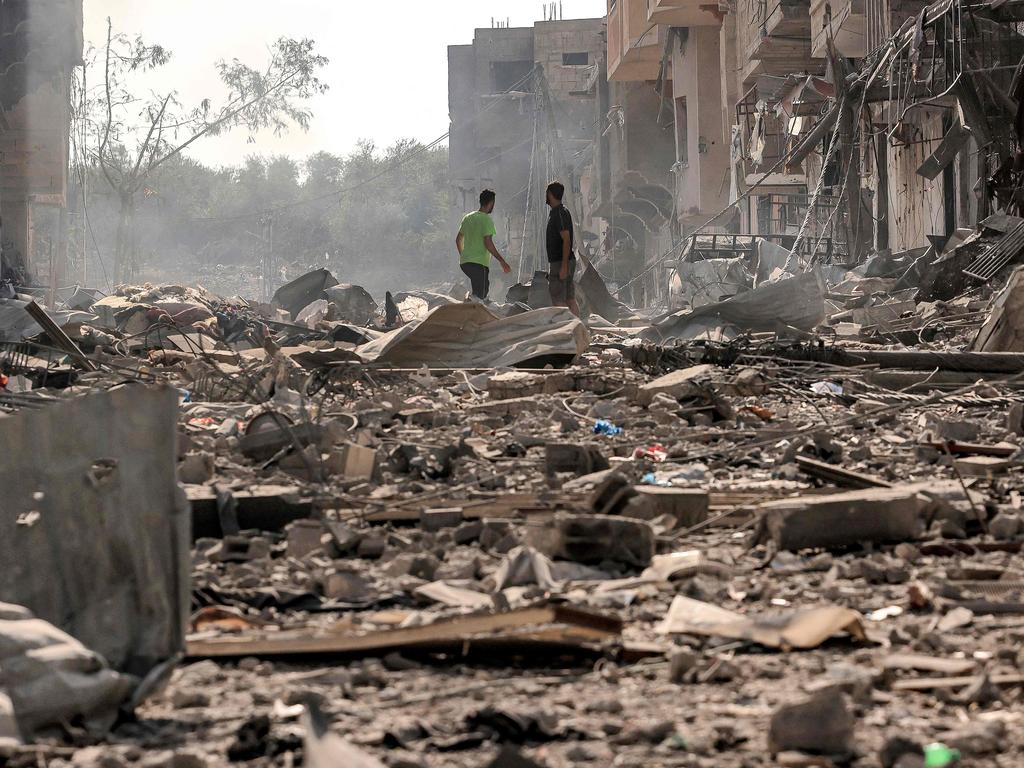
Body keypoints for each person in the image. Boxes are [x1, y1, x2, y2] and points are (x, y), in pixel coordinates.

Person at [456, 189, 511, 300]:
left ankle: (470, 306)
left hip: (465, 263)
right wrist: (502, 261)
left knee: (478, 291)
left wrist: (464, 256)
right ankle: (473, 313)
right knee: (481, 294)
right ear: (491, 203)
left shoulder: (468, 217)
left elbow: (458, 240)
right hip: (479, 264)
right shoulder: (486, 220)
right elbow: (488, 243)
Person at [545, 181, 580, 316]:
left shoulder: (559, 213)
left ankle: (569, 328)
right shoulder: (558, 212)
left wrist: (563, 266)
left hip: (561, 261)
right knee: (569, 298)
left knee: (558, 299)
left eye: (547, 193)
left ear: (551, 194)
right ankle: (577, 329)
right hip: (563, 261)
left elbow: (566, 239)